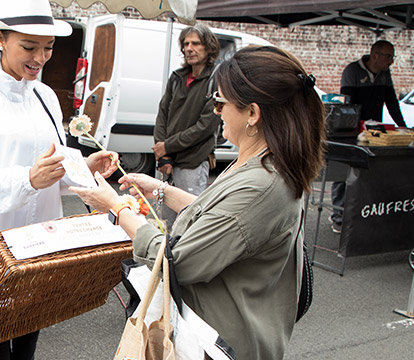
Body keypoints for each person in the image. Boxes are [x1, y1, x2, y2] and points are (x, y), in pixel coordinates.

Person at [70, 45, 326, 360]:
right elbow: (225, 218)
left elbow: (177, 261)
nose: (216, 111)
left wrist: (117, 207)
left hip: (217, 344)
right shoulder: (263, 161)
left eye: (220, 102)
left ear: (253, 113)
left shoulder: (263, 183)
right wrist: (160, 190)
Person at [0, 1, 118, 359]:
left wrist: (83, 167)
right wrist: (27, 179)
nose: (41, 58)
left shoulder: (45, 95)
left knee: (26, 351)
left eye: (48, 48)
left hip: (39, 253)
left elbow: (54, 162)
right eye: (29, 47)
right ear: (0, 39)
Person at [330, 40, 405, 233]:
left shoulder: (384, 74)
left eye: (392, 57)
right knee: (342, 172)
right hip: (351, 130)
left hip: (373, 130)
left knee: (367, 171)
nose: (391, 62)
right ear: (375, 55)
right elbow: (348, 104)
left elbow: (391, 102)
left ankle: (360, 212)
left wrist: (402, 127)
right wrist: (357, 127)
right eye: (389, 57)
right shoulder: (352, 71)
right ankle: (338, 216)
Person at [152, 23, 221, 228]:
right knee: (164, 220)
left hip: (192, 161)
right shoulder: (177, 77)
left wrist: (168, 146)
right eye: (186, 44)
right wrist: (163, 154)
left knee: (188, 219)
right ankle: (164, 258)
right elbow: (162, 114)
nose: (189, 48)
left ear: (208, 48)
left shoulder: (216, 79)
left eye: (195, 44)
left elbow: (206, 125)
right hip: (167, 161)